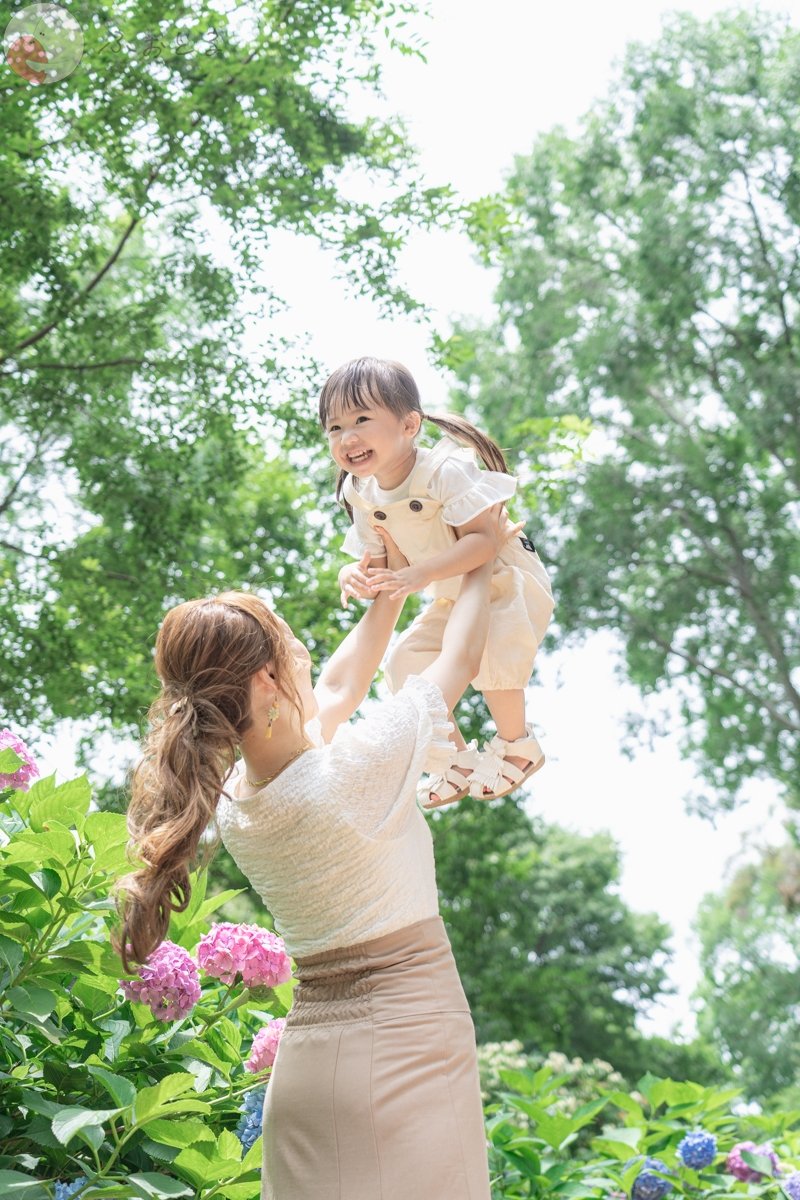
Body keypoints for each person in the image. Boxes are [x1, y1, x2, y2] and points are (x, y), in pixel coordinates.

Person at [112, 508, 517, 1200]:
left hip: (310, 1074)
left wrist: (392, 576)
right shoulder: (354, 772)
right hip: (407, 1042)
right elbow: (461, 657)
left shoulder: (239, 797)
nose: (308, 656)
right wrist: (482, 552)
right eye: (295, 647)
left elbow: (336, 688)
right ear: (267, 685)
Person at [320, 354, 555, 808]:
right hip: (452, 595)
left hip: (505, 578)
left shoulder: (444, 471)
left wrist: (422, 573)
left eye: (362, 419)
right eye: (334, 427)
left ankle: (519, 744)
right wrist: (353, 573)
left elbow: (484, 543)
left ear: (409, 425)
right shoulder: (360, 490)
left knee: (494, 655)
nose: (347, 438)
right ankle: (455, 761)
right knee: (405, 661)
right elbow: (381, 557)